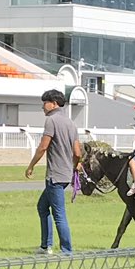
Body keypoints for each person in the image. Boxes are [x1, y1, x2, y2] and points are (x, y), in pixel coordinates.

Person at [24, 87, 79, 254]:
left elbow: (43, 147)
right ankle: (45, 246)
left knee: (59, 214)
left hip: (55, 176)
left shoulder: (51, 121)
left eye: (45, 103)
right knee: (42, 207)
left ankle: (66, 251)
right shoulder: (71, 123)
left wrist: (31, 165)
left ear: (54, 104)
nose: (43, 107)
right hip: (65, 174)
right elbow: (77, 152)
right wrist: (75, 165)